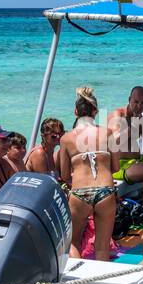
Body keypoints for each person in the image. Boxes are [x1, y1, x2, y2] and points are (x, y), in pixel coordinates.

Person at [56, 87, 118, 261]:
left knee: (72, 243)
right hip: (105, 191)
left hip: (80, 192)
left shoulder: (66, 138)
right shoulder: (107, 133)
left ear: (76, 112)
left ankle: (76, 283)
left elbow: (64, 174)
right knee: (102, 246)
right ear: (95, 112)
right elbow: (115, 167)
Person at [107, 86, 143, 185]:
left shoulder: (141, 120)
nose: (139, 106)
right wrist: (133, 125)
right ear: (129, 99)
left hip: (138, 160)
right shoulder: (117, 116)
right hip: (122, 167)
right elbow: (114, 142)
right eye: (136, 102)